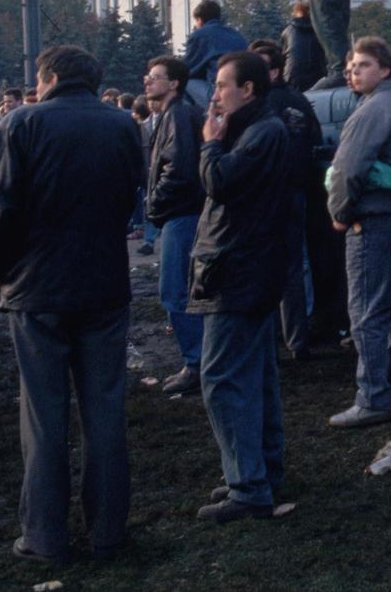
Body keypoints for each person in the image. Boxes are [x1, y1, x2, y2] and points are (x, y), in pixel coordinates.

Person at [0, 45, 146, 563]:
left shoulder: (21, 125)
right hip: (103, 283)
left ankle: (45, 536)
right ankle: (108, 531)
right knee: (105, 410)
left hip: (38, 289)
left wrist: (5, 273)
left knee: (45, 416)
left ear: (48, 78)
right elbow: (129, 196)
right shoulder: (122, 126)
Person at [191, 51, 296, 522]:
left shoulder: (261, 133)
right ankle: (260, 472)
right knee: (255, 375)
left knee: (222, 379)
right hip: (249, 269)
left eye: (222, 85)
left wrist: (210, 144)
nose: (215, 95)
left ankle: (248, 486)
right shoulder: (262, 129)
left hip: (237, 271)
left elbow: (219, 183)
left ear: (248, 90)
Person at [325, 37, 391, 427]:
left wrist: (339, 212)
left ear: (385, 70)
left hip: (375, 221)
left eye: (364, 65)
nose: (354, 72)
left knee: (367, 313)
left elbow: (347, 170)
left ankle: (372, 398)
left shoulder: (371, 112)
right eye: (351, 66)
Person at [247, 38, 322, 361]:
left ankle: (277, 338)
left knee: (269, 266)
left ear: (274, 71)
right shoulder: (299, 100)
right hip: (296, 192)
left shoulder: (265, 107)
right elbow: (315, 140)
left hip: (271, 196)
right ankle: (297, 337)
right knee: (295, 266)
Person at [142, 56, 204, 395]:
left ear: (174, 83)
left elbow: (178, 169)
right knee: (183, 291)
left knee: (176, 291)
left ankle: (195, 364)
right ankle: (198, 361)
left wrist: (155, 205)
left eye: (155, 77)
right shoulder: (173, 115)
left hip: (181, 215)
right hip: (182, 214)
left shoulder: (178, 116)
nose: (148, 81)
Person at [182, 0, 248, 108]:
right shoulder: (236, 34)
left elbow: (187, 69)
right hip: (242, 89)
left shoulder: (200, 35)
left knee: (181, 82)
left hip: (219, 91)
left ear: (199, 19)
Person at [281, 1, 326, 93]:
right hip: (317, 79)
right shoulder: (321, 30)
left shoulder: (287, 31)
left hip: (292, 79)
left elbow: (283, 57)